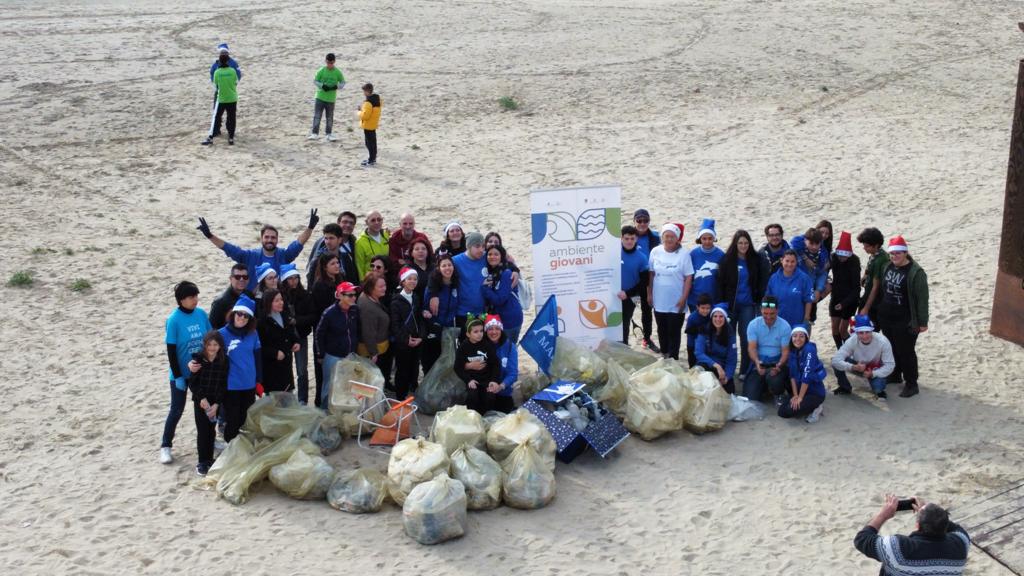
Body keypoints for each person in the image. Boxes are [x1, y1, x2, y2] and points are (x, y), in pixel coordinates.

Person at [196, 209, 319, 292]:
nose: (269, 240)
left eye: (273, 237)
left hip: (278, 300)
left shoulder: (284, 255)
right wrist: (210, 236)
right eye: (267, 237)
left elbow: (298, 243)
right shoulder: (250, 256)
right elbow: (228, 248)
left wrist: (310, 228)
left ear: (277, 240)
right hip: (255, 301)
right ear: (261, 239)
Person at [161, 281, 212, 464]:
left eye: (196, 296)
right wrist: (178, 376)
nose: (195, 300)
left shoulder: (200, 314)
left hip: (201, 372)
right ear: (181, 300)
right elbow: (171, 351)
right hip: (181, 373)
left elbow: (210, 338)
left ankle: (210, 441)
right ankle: (165, 445)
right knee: (176, 409)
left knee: (205, 408)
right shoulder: (174, 320)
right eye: (191, 297)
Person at [854, 495, 969, 575]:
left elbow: (861, 539)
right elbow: (956, 529)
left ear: (918, 526)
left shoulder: (899, 549)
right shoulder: (961, 544)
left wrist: (883, 515)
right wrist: (931, 514)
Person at [876, 235, 929, 398]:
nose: (894, 256)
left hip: (905, 319)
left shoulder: (916, 272)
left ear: (905, 253)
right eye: (892, 253)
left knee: (906, 351)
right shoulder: (887, 267)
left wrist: (922, 322)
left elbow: (922, 298)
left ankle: (912, 383)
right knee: (892, 348)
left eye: (898, 253)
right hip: (887, 316)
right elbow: (882, 290)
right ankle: (895, 374)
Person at [718, 229, 766, 378]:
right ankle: (727, 369)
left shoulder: (756, 259)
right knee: (727, 339)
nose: (743, 246)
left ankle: (744, 370)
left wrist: (758, 298)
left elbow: (762, 280)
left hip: (748, 305)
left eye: (746, 243)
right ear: (735, 244)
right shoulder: (727, 260)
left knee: (746, 339)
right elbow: (721, 284)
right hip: (730, 306)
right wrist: (722, 304)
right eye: (740, 243)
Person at [218, 295, 261, 442]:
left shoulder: (253, 334)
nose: (242, 318)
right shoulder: (221, 334)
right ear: (233, 314)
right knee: (232, 420)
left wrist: (259, 380)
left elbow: (257, 357)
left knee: (245, 418)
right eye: (239, 314)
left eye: (246, 316)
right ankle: (231, 448)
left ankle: (242, 447)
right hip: (231, 386)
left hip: (249, 383)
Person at [647, 222, 693, 360]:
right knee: (661, 329)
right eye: (666, 236)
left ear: (677, 238)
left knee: (674, 330)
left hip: (676, 299)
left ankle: (673, 357)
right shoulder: (655, 251)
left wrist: (684, 298)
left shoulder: (684, 254)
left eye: (672, 236)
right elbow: (651, 274)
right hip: (659, 298)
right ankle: (665, 353)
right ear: (662, 237)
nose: (669, 239)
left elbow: (688, 277)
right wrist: (649, 293)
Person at [186, 330, 228, 476]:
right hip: (200, 401)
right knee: (202, 431)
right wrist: (202, 399)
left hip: (215, 401)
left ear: (220, 346)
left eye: (215, 345)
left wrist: (216, 404)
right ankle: (202, 462)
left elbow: (223, 384)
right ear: (204, 345)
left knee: (211, 430)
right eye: (209, 344)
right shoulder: (198, 360)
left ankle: (209, 459)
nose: (212, 348)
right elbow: (193, 383)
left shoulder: (223, 360)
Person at [315, 281, 360, 404]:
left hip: (350, 355)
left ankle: (340, 413)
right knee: (329, 387)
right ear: (340, 295)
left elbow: (357, 331)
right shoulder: (329, 313)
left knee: (346, 386)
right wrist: (321, 354)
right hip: (333, 355)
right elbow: (319, 334)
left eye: (354, 294)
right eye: (349, 295)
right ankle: (324, 413)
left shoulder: (355, 310)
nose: (353, 297)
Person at [832, 315, 896, 399]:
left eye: (867, 332)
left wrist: (873, 373)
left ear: (872, 331)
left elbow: (890, 365)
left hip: (875, 369)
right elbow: (836, 360)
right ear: (856, 332)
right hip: (858, 366)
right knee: (835, 362)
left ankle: (880, 391)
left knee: (878, 388)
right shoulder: (852, 340)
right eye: (861, 333)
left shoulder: (883, 342)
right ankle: (845, 387)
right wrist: (853, 367)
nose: (865, 336)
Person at [310, 253, 343, 407]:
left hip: (338, 334)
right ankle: (320, 405)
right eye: (333, 263)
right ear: (325, 267)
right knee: (323, 376)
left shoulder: (340, 279)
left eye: (337, 262)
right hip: (324, 333)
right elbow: (321, 314)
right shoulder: (320, 285)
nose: (337, 265)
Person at [280, 263, 315, 404]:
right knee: (285, 370)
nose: (293, 281)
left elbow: (312, 316)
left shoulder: (305, 295)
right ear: (284, 280)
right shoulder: (280, 296)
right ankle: (288, 397)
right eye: (290, 278)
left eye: (296, 278)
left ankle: (302, 400)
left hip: (300, 336)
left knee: (302, 370)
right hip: (285, 338)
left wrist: (297, 321)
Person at [745, 296, 791, 403]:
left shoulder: (785, 326)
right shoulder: (753, 325)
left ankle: (778, 392)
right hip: (760, 361)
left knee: (775, 381)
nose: (768, 317)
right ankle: (765, 388)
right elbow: (752, 348)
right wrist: (756, 362)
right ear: (761, 310)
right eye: (765, 314)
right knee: (750, 397)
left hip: (776, 362)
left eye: (772, 314)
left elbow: (785, 352)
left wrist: (779, 365)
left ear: (777, 311)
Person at [454, 315, 501, 414]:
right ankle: (473, 419)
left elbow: (495, 364)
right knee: (472, 397)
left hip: (487, 380)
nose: (479, 334)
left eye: (481, 331)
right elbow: (457, 367)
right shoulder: (463, 347)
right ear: (468, 334)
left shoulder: (487, 345)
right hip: (472, 380)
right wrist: (468, 380)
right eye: (475, 332)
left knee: (489, 397)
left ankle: (487, 418)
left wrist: (494, 380)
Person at [421, 254, 460, 373]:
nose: (447, 268)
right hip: (433, 328)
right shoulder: (433, 287)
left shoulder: (455, 284)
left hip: (448, 328)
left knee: (447, 360)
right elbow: (424, 307)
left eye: (449, 265)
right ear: (438, 268)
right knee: (431, 361)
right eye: (444, 266)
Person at [390, 268, 425, 399]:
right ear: (403, 281)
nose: (412, 281)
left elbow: (420, 319)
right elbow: (395, 325)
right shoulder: (396, 301)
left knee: (414, 368)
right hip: (403, 343)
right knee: (402, 370)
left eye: (415, 279)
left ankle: (413, 390)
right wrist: (405, 340)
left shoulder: (415, 298)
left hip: (416, 340)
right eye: (409, 279)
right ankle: (400, 396)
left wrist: (421, 336)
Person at [779, 325, 826, 421]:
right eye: (795, 336)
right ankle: (804, 402)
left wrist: (800, 398)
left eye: (801, 336)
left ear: (806, 338)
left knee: (790, 411)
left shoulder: (809, 350)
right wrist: (796, 395)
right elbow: (792, 376)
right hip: (800, 390)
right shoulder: (793, 351)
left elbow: (807, 375)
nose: (798, 339)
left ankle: (817, 407)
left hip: (814, 393)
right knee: (782, 412)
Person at [257, 288, 300, 393]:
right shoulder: (262, 321)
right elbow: (259, 347)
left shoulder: (284, 315)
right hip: (272, 368)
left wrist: (296, 342)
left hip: (286, 364)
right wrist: (274, 353)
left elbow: (290, 333)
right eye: (276, 301)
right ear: (268, 302)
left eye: (281, 299)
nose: (281, 303)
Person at [357, 274, 392, 389]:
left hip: (379, 346)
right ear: (371, 288)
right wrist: (373, 353)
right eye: (380, 286)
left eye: (385, 285)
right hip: (372, 351)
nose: (384, 288)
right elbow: (368, 332)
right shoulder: (367, 307)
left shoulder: (370, 298)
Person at [482, 245, 524, 343]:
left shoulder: (506, 273)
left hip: (510, 319)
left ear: (501, 256)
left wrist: (485, 289)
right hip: (499, 318)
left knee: (508, 350)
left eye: (496, 254)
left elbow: (500, 299)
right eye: (489, 254)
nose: (492, 257)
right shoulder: (491, 273)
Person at [828, 231, 862, 349]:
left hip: (850, 299)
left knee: (843, 330)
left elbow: (856, 289)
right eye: (840, 256)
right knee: (834, 330)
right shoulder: (834, 257)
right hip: (836, 296)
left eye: (845, 256)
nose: (842, 258)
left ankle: (851, 351)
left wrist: (844, 304)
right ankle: (840, 351)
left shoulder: (854, 261)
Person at [633, 208, 660, 352]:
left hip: (648, 276)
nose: (642, 223)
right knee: (627, 310)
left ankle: (647, 337)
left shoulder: (655, 237)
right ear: (634, 221)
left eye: (646, 221)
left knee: (646, 309)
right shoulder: (628, 235)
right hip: (631, 276)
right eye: (639, 220)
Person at [202, 48, 242, 146]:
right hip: (232, 98)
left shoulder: (217, 72)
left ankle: (211, 136)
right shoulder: (232, 71)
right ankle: (231, 137)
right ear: (228, 59)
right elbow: (236, 81)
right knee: (231, 117)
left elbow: (216, 85)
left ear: (219, 60)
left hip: (221, 98)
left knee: (216, 116)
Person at [765, 250, 814, 328]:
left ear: (796, 262)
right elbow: (768, 299)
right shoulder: (773, 278)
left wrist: (806, 318)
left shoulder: (804, 278)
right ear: (782, 261)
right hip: (778, 322)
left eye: (792, 261)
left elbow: (808, 300)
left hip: (797, 323)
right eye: (787, 261)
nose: (789, 264)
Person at [694, 304, 738, 393]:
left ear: (725, 318)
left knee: (729, 391)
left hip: (722, 369)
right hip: (706, 364)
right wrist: (716, 365)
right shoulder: (704, 330)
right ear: (711, 317)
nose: (718, 319)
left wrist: (727, 376)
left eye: (721, 316)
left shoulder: (730, 334)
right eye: (715, 316)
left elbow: (732, 360)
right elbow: (699, 352)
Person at [618, 225, 649, 345]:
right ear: (621, 238)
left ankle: (624, 345)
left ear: (636, 239)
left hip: (632, 296)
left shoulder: (642, 258)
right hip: (614, 294)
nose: (629, 241)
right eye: (626, 238)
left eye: (632, 238)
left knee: (625, 322)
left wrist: (627, 293)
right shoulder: (614, 252)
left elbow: (644, 282)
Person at [307, 212, 358, 284]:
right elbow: (311, 282)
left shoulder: (348, 253)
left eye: (331, 238)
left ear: (340, 240)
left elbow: (353, 279)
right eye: (326, 238)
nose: (328, 242)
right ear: (338, 222)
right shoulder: (318, 259)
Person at [790, 228, 829, 321]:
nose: (814, 247)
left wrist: (818, 290)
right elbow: (794, 241)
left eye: (817, 244)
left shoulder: (822, 255)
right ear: (805, 241)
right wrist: (805, 258)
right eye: (811, 243)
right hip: (795, 292)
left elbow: (822, 273)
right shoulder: (796, 252)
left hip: (810, 291)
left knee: (808, 321)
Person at [857, 227, 890, 330]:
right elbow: (869, 265)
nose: (864, 248)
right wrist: (865, 276)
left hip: (875, 302)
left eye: (867, 246)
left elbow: (876, 287)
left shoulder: (881, 260)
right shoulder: (874, 254)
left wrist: (866, 308)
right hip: (868, 295)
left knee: (868, 329)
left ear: (876, 245)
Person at [307, 52, 345, 141]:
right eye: (328, 63)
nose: (329, 65)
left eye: (331, 63)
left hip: (331, 99)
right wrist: (322, 86)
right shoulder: (321, 70)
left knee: (329, 117)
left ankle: (329, 134)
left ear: (334, 62)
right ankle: (314, 133)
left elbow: (343, 82)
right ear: (325, 61)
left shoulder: (337, 72)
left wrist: (337, 87)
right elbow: (315, 80)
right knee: (317, 116)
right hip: (320, 97)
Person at [689, 218, 725, 311]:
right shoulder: (693, 254)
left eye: (710, 238)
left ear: (714, 238)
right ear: (700, 239)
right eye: (704, 239)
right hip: (695, 299)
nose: (707, 241)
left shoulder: (721, 255)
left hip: (714, 299)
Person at [484, 315, 517, 413]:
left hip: (503, 391)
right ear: (486, 331)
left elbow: (513, 374)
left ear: (501, 330)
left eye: (497, 328)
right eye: (490, 329)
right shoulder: (480, 345)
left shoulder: (510, 347)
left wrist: (501, 386)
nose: (494, 332)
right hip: (485, 390)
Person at [453, 232, 488, 324]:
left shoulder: (487, 257)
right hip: (464, 313)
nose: (481, 249)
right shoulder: (456, 261)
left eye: (483, 246)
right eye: (477, 246)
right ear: (468, 246)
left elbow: (505, 260)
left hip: (484, 313)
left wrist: (515, 270)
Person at [210, 263, 252, 330]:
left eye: (245, 277)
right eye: (237, 277)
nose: (241, 279)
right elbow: (213, 329)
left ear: (248, 279)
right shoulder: (220, 302)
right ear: (230, 278)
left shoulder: (250, 295)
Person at [354, 211, 389, 280]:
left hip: (386, 278)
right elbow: (360, 266)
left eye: (379, 220)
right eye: (373, 220)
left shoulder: (386, 235)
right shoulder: (360, 242)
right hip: (371, 280)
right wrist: (363, 282)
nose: (376, 222)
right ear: (366, 222)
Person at [683, 293, 713, 368]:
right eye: (703, 308)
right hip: (692, 344)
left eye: (708, 308)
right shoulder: (692, 318)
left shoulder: (712, 315)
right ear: (697, 307)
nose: (705, 311)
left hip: (708, 344)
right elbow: (688, 331)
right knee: (693, 366)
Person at [358, 82, 382, 167]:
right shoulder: (378, 100)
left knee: (368, 143)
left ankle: (371, 160)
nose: (363, 93)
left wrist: (359, 112)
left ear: (367, 91)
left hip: (368, 125)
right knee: (373, 143)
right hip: (373, 124)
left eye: (364, 91)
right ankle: (372, 159)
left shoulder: (368, 103)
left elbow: (365, 116)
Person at [406, 237, 433, 304]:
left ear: (428, 252)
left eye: (423, 249)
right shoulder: (407, 270)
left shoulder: (434, 267)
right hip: (416, 306)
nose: (420, 251)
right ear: (411, 253)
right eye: (416, 249)